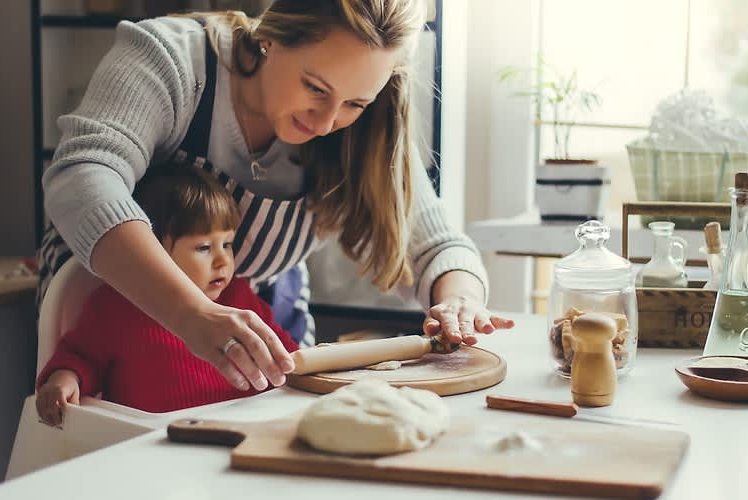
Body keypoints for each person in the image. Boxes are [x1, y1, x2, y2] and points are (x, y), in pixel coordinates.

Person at [35, 0, 514, 395]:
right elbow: (83, 176)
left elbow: (435, 246)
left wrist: (460, 303)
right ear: (271, 36)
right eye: (315, 87)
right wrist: (191, 312)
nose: (326, 122)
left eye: (353, 104)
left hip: (260, 329)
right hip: (112, 321)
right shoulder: (173, 59)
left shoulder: (369, 124)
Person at [36, 166, 300, 424]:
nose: (223, 261)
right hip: (148, 446)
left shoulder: (241, 299)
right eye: (204, 247)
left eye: (227, 244)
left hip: (240, 435)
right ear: (155, 252)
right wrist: (65, 379)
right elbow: (80, 358)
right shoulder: (113, 309)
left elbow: (288, 358)